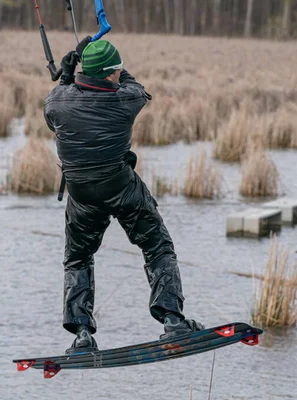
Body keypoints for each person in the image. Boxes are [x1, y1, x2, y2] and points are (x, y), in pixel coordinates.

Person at [43, 37, 204, 355]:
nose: (119, 74)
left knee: (78, 259)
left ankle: (82, 336)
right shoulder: (127, 99)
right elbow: (137, 87)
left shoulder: (57, 102)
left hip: (81, 193)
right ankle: (172, 321)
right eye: (115, 70)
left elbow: (54, 106)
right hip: (120, 187)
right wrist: (110, 67)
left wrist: (69, 72)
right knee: (158, 247)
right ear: (108, 74)